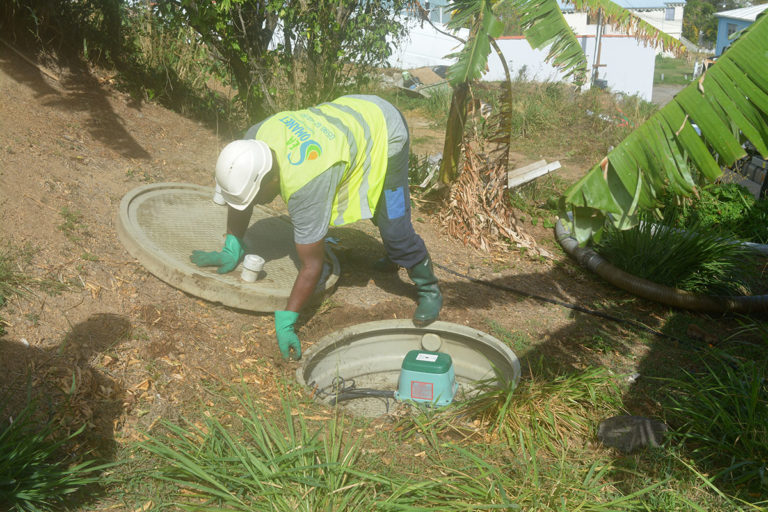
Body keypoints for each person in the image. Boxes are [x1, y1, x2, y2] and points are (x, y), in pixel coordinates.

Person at [190, 95, 442, 360]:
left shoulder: (306, 183)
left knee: (395, 228)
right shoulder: (253, 140)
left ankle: (429, 288)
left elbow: (313, 266)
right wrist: (232, 245)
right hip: (349, 115)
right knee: (382, 212)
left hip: (383, 128)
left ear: (273, 179)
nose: (252, 203)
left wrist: (288, 319)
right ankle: (394, 256)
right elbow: (242, 198)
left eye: (256, 196)